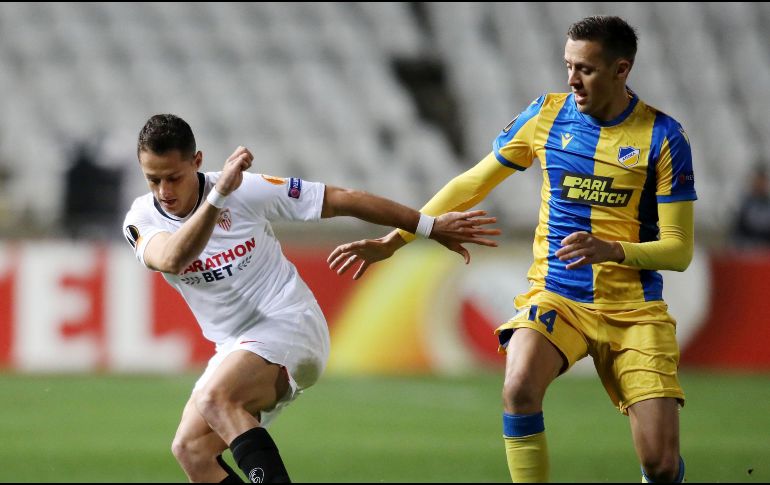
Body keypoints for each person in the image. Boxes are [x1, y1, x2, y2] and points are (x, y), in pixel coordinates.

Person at [328, 16, 696, 483]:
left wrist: (613, 250)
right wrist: (397, 238)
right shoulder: (547, 115)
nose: (571, 79)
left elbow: (679, 250)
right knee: (519, 385)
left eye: (585, 69)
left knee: (660, 465)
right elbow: (472, 182)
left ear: (621, 70)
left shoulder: (663, 137)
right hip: (558, 295)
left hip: (634, 310)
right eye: (567, 66)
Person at [122, 114, 500, 483]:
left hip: (289, 321)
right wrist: (218, 198)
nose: (164, 192)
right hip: (236, 346)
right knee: (191, 450)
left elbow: (341, 199)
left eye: (173, 177)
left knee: (214, 398)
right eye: (153, 179)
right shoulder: (142, 218)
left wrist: (427, 226)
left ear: (197, 161)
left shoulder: (245, 190)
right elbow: (172, 258)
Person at [732, 163, 770, 248]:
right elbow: (737, 231)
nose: (760, 184)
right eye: (758, 181)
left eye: (763, 181)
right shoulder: (746, 205)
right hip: (749, 250)